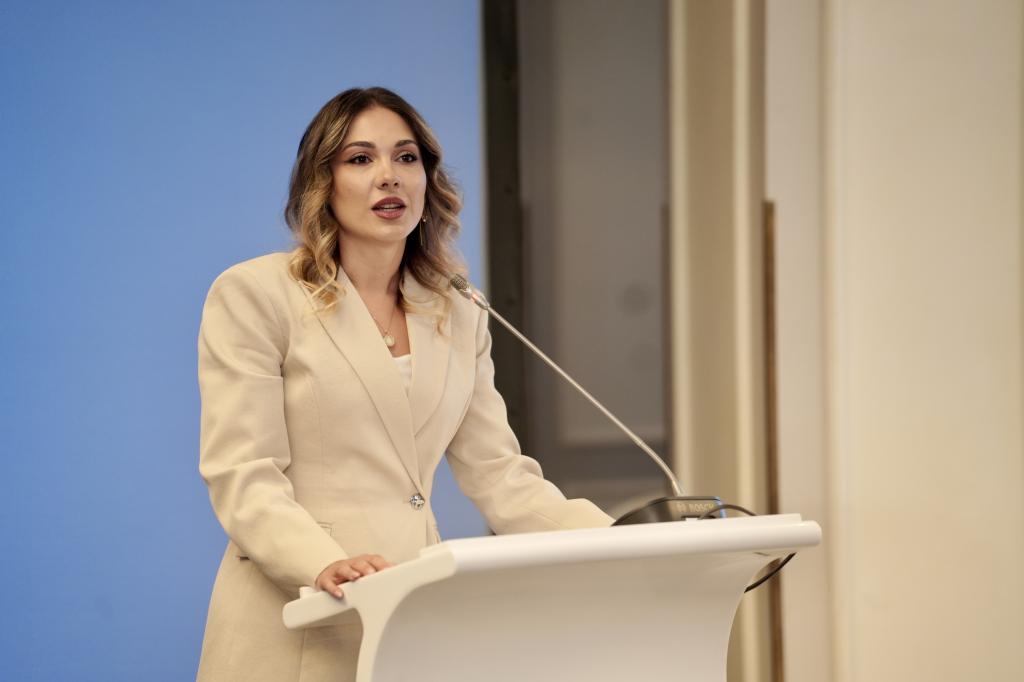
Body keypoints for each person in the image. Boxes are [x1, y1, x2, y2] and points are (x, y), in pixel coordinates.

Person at [195, 87, 613, 682]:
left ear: (427, 180)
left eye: (406, 157)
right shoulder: (257, 294)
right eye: (360, 158)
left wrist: (619, 539)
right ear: (323, 181)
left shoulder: (457, 308)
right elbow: (244, 474)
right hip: (299, 615)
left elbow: (499, 475)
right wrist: (322, 562)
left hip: (410, 615)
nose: (388, 175)